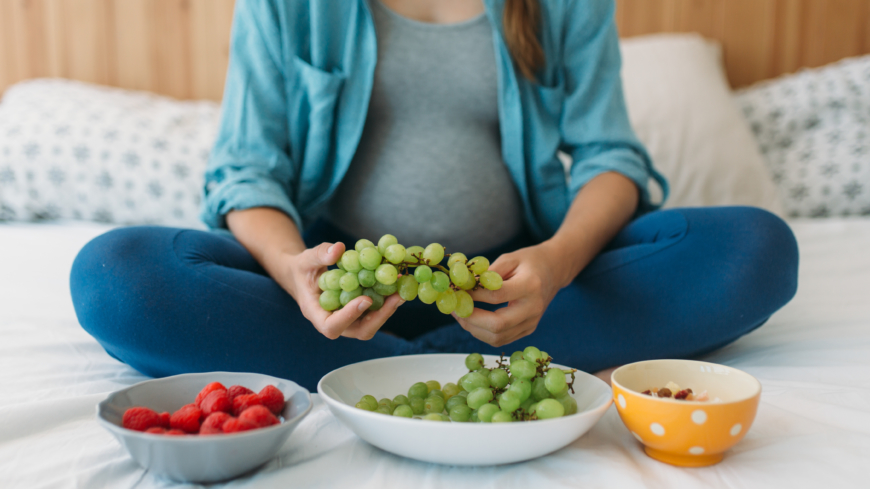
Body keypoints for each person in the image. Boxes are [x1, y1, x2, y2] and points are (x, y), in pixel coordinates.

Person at [70, 0, 799, 391]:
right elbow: (245, 172)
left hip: (515, 288)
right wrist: (294, 271)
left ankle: (401, 368)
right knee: (116, 275)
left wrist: (557, 262)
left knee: (754, 248)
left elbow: (610, 158)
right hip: (336, 289)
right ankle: (428, 365)